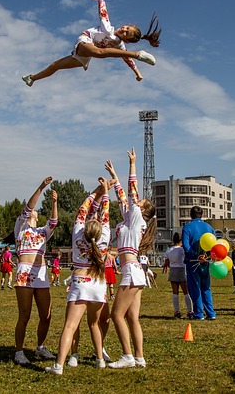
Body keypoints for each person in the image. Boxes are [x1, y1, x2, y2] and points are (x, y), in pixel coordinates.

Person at [46, 177, 113, 375]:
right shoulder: (105, 236)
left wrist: (95, 192)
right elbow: (106, 213)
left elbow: (82, 210)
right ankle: (100, 360)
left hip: (80, 282)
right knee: (94, 324)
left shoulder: (77, 233)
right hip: (98, 284)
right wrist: (106, 191)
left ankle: (59, 365)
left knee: (69, 326)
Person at [21, 0, 160, 87]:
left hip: (87, 54)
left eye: (126, 34)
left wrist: (137, 73)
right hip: (85, 41)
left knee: (93, 54)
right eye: (126, 28)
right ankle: (32, 78)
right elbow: (103, 12)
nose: (123, 30)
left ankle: (138, 54)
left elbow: (127, 60)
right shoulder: (108, 28)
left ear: (127, 41)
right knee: (58, 65)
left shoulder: (119, 45)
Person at [105, 149, 156, 369]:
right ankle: (139, 357)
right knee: (132, 318)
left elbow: (132, 191)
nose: (137, 202)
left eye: (141, 203)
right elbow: (122, 196)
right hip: (134, 270)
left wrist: (133, 164)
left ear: (143, 210)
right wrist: (114, 175)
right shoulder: (131, 217)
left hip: (131, 271)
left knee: (117, 315)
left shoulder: (137, 218)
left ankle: (127, 356)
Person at [13, 177, 58, 365]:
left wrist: (54, 203)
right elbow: (28, 208)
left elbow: (54, 222)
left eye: (35, 213)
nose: (33, 213)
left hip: (40, 273)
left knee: (46, 315)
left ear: (38, 218)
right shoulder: (21, 228)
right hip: (24, 272)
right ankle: (19, 351)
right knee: (24, 314)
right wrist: (41, 187)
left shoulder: (42, 232)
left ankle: (40, 347)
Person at [182, 206, 216, 321]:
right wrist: (206, 256)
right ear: (202, 215)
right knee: (206, 287)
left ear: (191, 215)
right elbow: (214, 244)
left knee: (195, 287)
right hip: (206, 262)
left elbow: (186, 246)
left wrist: (196, 255)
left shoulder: (187, 227)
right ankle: (211, 313)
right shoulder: (209, 227)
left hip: (193, 262)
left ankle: (199, 313)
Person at [165, 233, 194, 319]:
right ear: (181, 241)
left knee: (175, 292)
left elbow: (166, 263)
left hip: (173, 270)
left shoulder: (169, 250)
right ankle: (190, 311)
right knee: (186, 292)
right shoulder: (182, 250)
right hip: (182, 269)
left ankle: (176, 311)